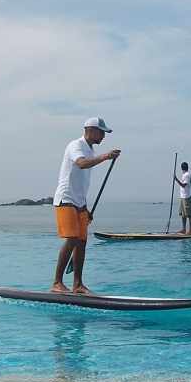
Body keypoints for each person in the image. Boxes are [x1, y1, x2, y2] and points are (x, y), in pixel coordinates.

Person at [50, 117, 120, 294]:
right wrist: (105, 156)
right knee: (72, 238)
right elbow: (80, 164)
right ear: (90, 130)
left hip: (80, 203)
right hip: (65, 199)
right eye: (101, 132)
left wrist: (85, 208)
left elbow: (82, 183)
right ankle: (57, 283)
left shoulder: (89, 150)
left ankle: (78, 285)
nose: (103, 136)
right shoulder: (76, 145)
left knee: (81, 242)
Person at [173, 162, 191, 235]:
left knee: (189, 214)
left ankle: (190, 231)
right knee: (183, 214)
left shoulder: (187, 175)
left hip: (186, 197)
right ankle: (184, 229)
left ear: (182, 168)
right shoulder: (184, 175)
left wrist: (176, 180)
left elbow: (184, 185)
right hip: (182, 197)